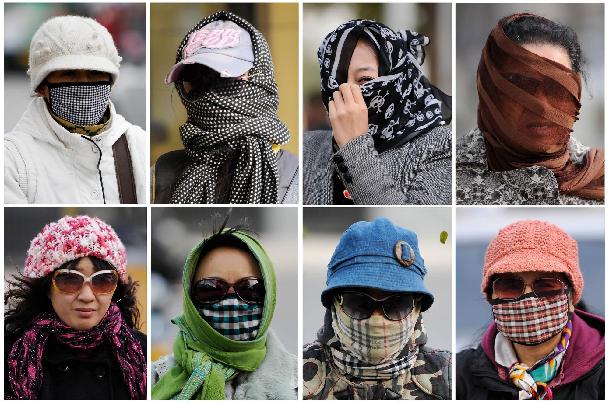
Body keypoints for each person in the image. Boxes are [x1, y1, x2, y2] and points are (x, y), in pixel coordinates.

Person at [456, 13, 605, 205]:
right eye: (521, 86)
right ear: (490, 90)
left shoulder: (598, 176)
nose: (541, 107)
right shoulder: (446, 170)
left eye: (557, 88)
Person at [152, 11, 298, 204]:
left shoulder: (300, 176)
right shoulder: (159, 175)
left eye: (227, 77)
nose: (211, 92)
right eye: (197, 78)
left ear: (260, 76)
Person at [303, 19, 452, 205]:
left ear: (399, 79)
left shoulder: (440, 146)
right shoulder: (308, 148)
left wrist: (353, 146)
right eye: (336, 80)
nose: (348, 91)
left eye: (364, 79)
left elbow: (403, 227)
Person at [303, 218, 451, 399]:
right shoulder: (295, 379)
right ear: (334, 303)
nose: (377, 319)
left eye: (397, 304)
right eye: (358, 303)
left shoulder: (450, 378)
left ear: (417, 307)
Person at [4, 16, 146, 204]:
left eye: (95, 72)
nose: (84, 84)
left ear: (111, 81)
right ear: (41, 86)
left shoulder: (137, 145)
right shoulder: (12, 159)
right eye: (69, 73)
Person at [456, 220, 605, 399]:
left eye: (546, 285)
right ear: (491, 297)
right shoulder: (459, 377)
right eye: (510, 285)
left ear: (572, 297)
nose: (529, 300)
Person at [4, 215, 147, 400]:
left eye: (103, 280)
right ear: (47, 287)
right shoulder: (11, 355)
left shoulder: (141, 353)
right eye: (70, 280)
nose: (87, 296)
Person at [151, 224, 297, 399]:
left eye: (250, 288)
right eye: (211, 288)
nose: (232, 302)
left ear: (268, 295)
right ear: (190, 298)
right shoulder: (153, 379)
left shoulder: (300, 381)